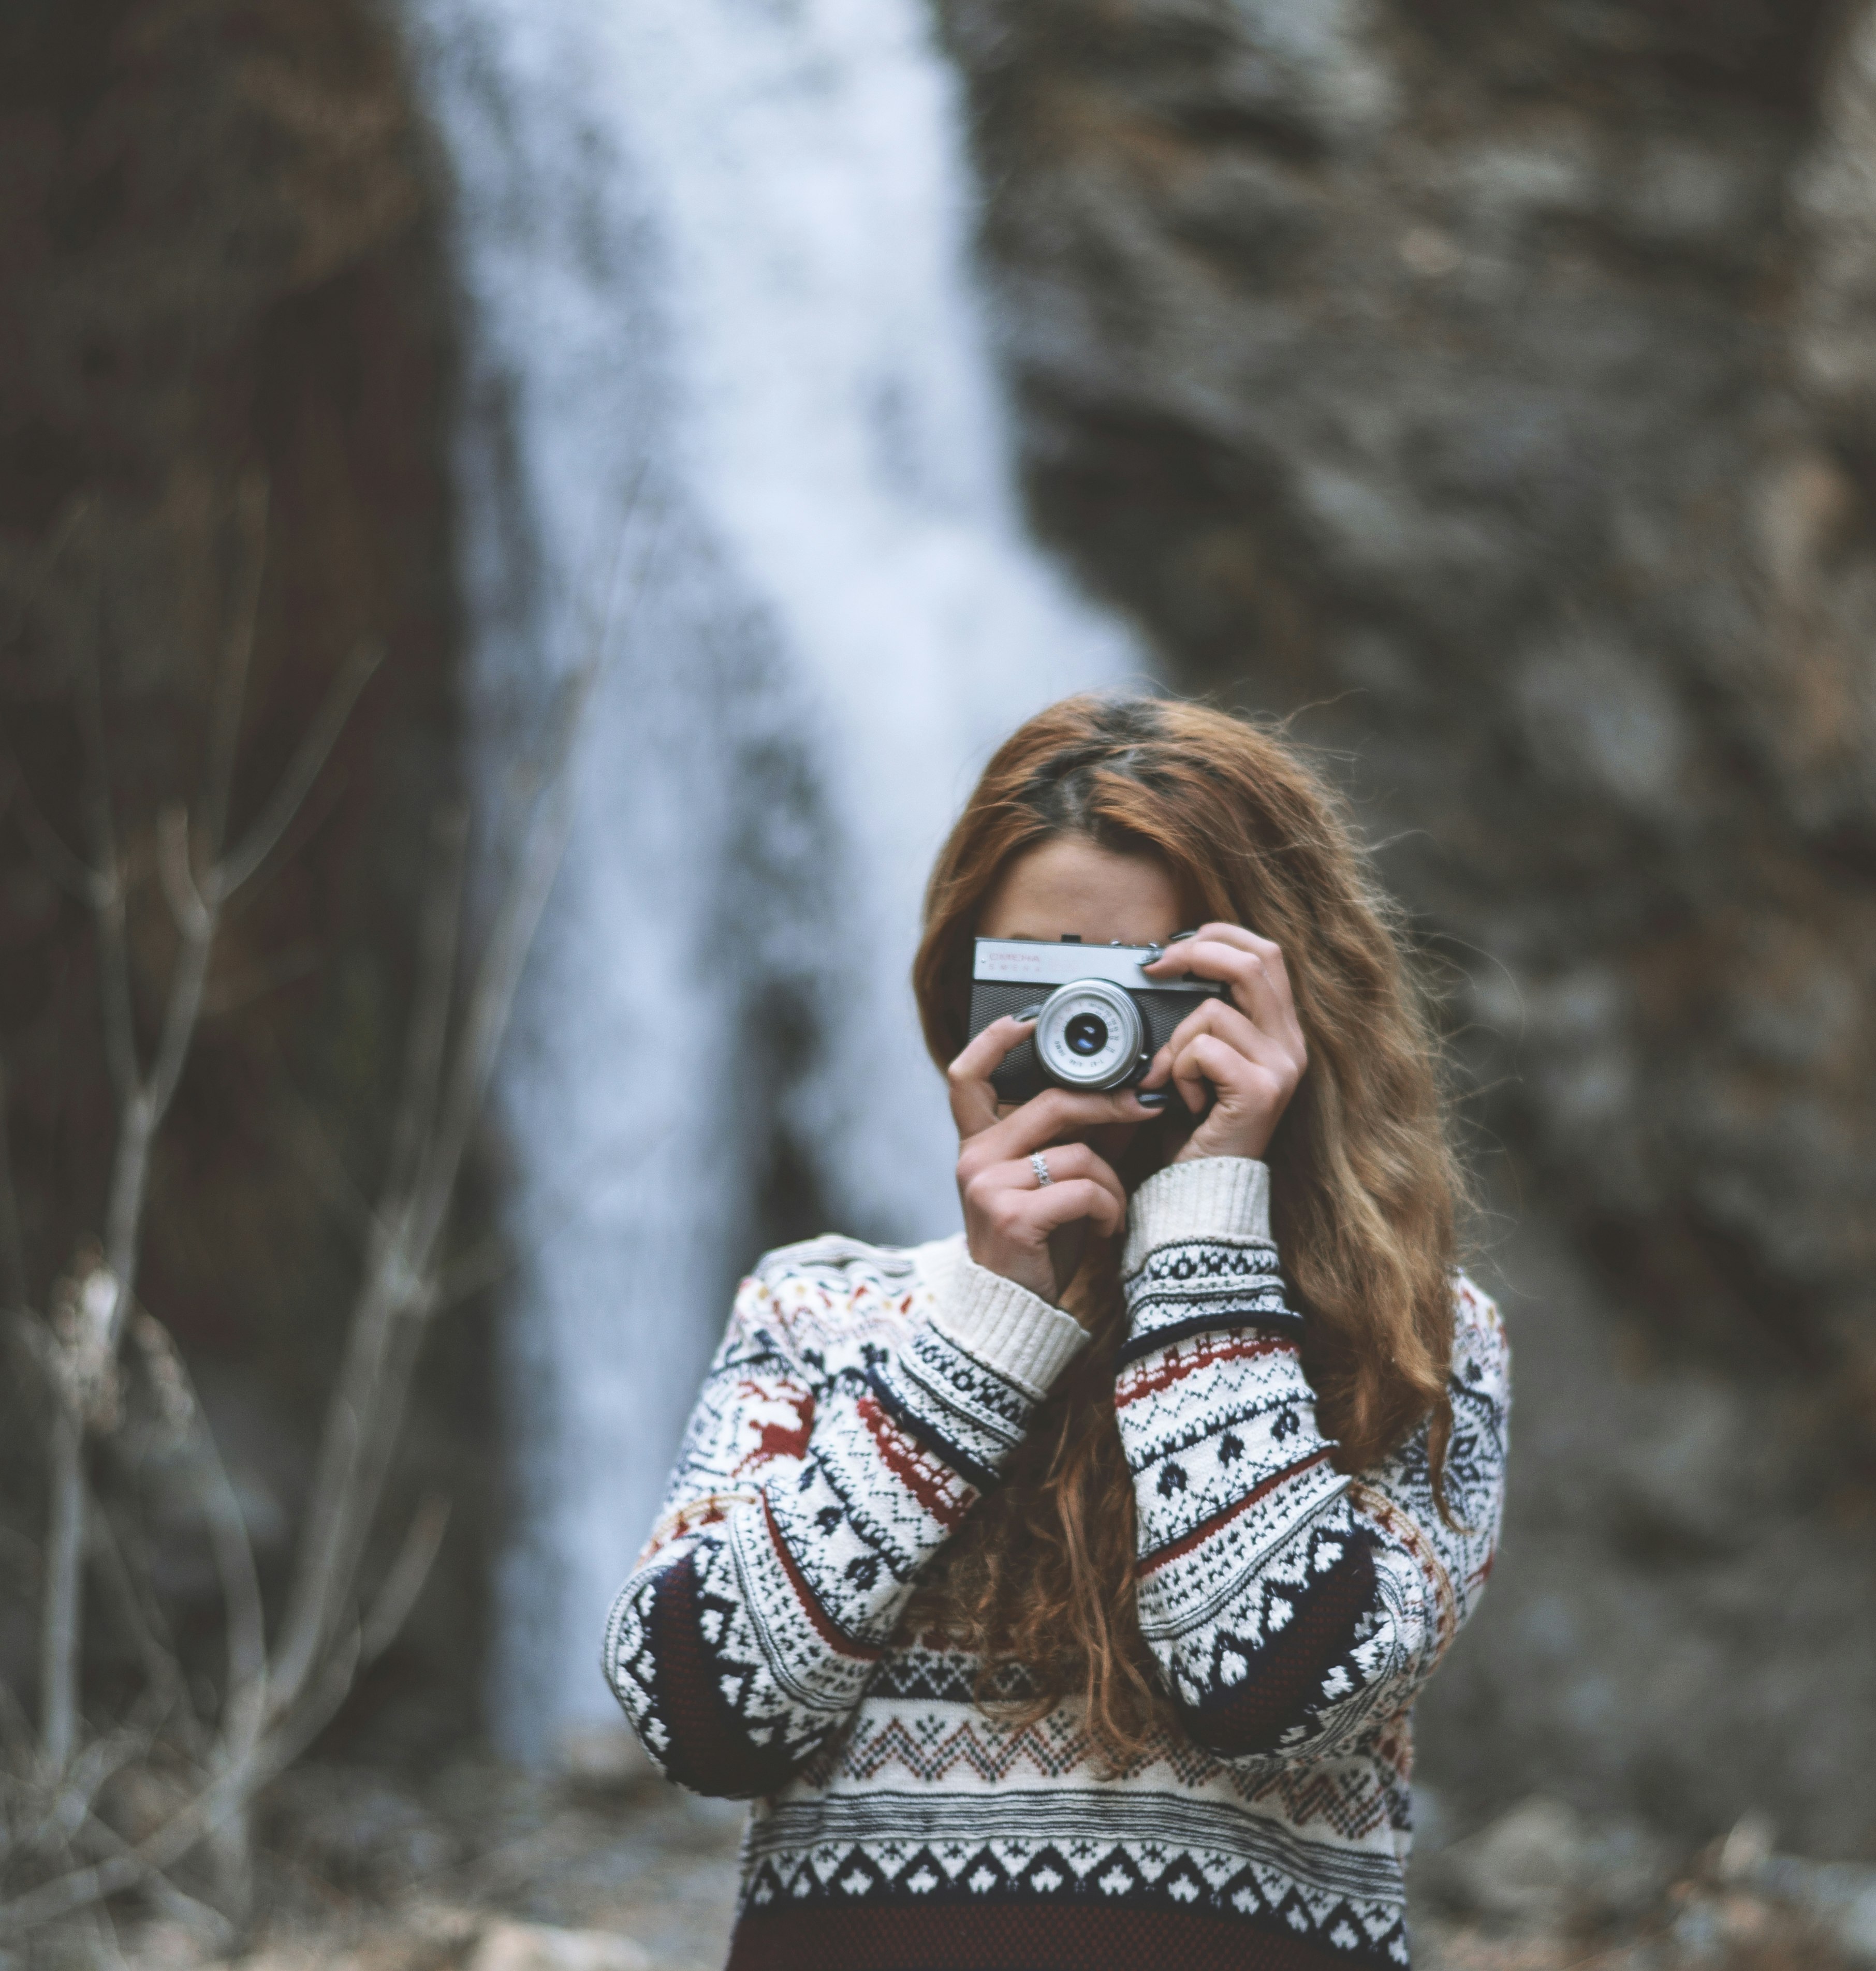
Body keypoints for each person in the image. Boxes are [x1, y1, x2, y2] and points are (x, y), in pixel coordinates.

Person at [603, 694, 1510, 1970]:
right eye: (1042, 980)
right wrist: (988, 1326)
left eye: (1157, 985)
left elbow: (1274, 1686)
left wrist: (1206, 1221)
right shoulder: (821, 1309)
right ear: (957, 987)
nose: (1093, 1038)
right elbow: (695, 1714)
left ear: (1289, 1001)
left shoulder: (1416, 1345)